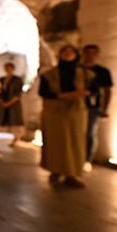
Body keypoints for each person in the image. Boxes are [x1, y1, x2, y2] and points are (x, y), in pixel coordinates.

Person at [39, 45, 93, 188]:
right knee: (56, 142)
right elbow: (43, 92)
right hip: (55, 112)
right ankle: (56, 170)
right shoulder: (50, 74)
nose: (68, 54)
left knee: (75, 142)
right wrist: (62, 96)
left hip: (76, 111)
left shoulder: (85, 74)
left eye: (71, 51)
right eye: (65, 51)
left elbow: (93, 89)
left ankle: (72, 173)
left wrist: (82, 94)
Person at [81, 44, 113, 163]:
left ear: (97, 55)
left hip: (92, 107)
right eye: (87, 52)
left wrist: (105, 109)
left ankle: (86, 160)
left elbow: (107, 91)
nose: (90, 56)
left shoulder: (103, 72)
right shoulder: (77, 69)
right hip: (75, 107)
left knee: (89, 133)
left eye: (93, 53)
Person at [0, 62, 26, 146]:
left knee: (15, 121)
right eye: (6, 68)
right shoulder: (2, 79)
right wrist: (3, 102)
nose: (8, 70)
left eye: (9, 68)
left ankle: (16, 138)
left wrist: (9, 103)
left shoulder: (17, 80)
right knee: (4, 119)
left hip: (14, 104)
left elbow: (18, 93)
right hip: (4, 102)